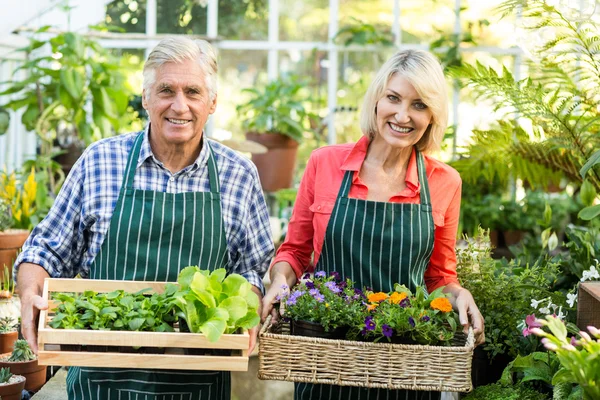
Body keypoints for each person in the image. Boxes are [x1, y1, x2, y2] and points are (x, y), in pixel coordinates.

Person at [15, 36, 274, 400]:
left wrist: (247, 302)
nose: (179, 105)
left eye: (193, 92)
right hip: (100, 382)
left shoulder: (238, 175)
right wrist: (30, 293)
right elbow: (44, 251)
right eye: (166, 90)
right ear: (146, 97)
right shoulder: (100, 162)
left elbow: (252, 269)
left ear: (212, 102)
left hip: (198, 381)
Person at [262, 49, 485, 400]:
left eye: (418, 105)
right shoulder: (324, 163)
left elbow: (440, 276)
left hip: (405, 362)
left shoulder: (445, 181)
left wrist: (460, 295)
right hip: (324, 357)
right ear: (376, 101)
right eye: (393, 98)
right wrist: (279, 282)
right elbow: (296, 251)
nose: (402, 115)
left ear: (433, 115)